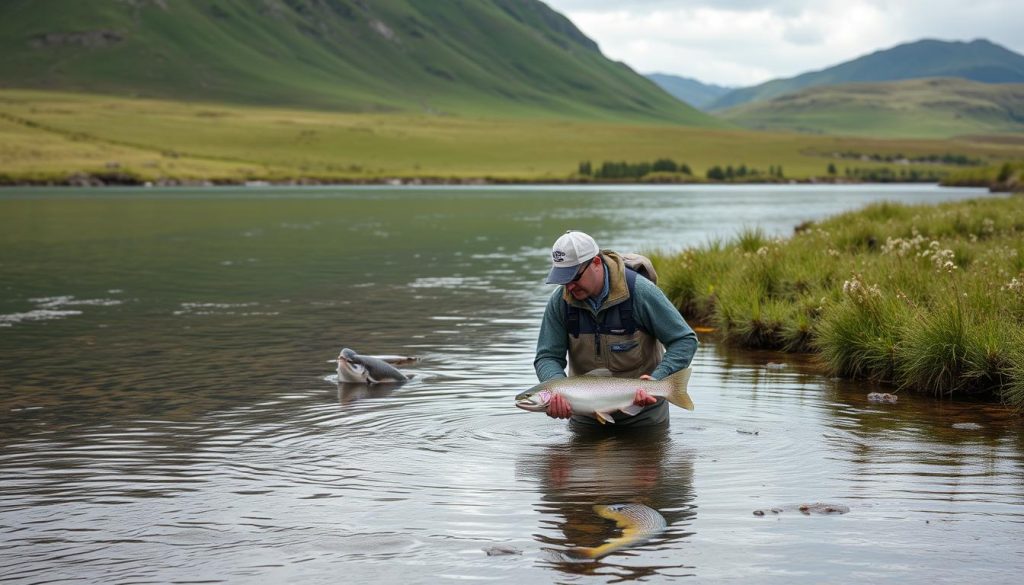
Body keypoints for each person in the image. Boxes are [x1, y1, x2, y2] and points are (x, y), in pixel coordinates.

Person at [535, 230, 698, 427]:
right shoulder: (559, 302)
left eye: (574, 277)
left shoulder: (640, 292)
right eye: (563, 279)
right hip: (586, 420)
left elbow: (684, 339)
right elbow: (547, 356)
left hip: (644, 418)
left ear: (596, 263)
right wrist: (557, 391)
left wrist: (658, 379)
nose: (568, 287)